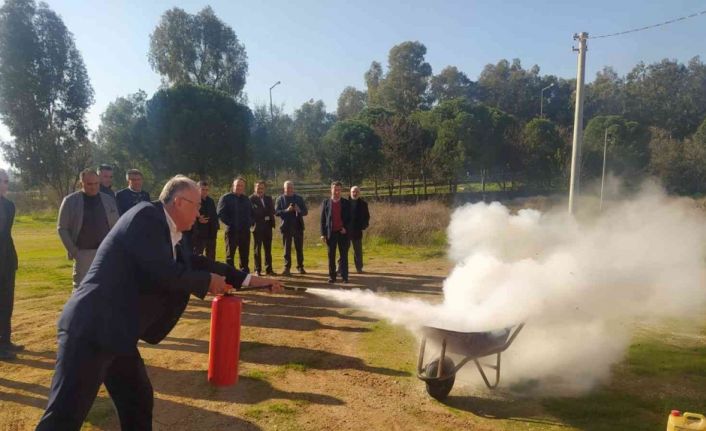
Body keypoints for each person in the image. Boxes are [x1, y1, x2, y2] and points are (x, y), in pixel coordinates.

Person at [36, 175, 283, 430]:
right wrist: (207, 282)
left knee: (137, 401)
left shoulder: (172, 231)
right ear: (179, 202)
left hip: (118, 334)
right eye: (197, 206)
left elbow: (197, 263)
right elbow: (163, 272)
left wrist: (251, 280)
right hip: (91, 329)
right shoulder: (146, 217)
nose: (199, 213)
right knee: (63, 417)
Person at [57, 169, 119, 291]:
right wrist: (73, 250)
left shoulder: (109, 200)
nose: (93, 187)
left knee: (106, 287)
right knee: (82, 289)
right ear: (82, 183)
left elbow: (117, 226)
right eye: (90, 184)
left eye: (96, 183)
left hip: (106, 253)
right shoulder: (70, 201)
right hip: (83, 253)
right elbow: (62, 228)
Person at [0, 169, 21, 360]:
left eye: (6, 181)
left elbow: (6, 235)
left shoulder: (9, 205)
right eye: (2, 181)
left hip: (7, 260)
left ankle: (5, 341)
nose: (5, 184)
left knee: (7, 302)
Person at [217, 177, 253, 273]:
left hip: (245, 231)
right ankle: (230, 275)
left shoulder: (246, 199)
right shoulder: (225, 198)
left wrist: (250, 223)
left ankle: (244, 274)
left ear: (244, 187)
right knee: (230, 255)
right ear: (233, 186)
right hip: (232, 231)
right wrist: (232, 224)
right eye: (237, 185)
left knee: (244, 254)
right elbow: (220, 213)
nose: (239, 187)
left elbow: (252, 213)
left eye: (241, 186)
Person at [275, 180, 308, 276]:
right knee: (287, 249)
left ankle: (300, 266)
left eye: (290, 187)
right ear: (284, 188)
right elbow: (276, 212)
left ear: (293, 188)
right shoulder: (280, 199)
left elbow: (305, 212)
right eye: (287, 188)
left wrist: (299, 210)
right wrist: (287, 210)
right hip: (286, 227)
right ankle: (287, 268)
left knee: (299, 249)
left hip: (298, 227)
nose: (289, 189)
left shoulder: (299, 198)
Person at [320, 181, 351, 284]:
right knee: (331, 256)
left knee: (344, 256)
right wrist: (323, 234)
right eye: (335, 189)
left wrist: (346, 228)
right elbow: (323, 220)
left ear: (341, 190)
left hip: (342, 233)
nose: (336, 192)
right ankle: (332, 277)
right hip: (331, 233)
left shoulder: (346, 203)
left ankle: (345, 277)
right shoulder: (326, 202)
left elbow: (350, 219)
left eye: (338, 190)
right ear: (331, 189)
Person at [249, 180, 276, 276]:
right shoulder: (250, 199)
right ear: (254, 188)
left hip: (268, 226)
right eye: (258, 188)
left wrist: (263, 214)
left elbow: (272, 211)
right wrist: (263, 214)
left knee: (268, 249)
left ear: (265, 189)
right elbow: (253, 213)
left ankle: (269, 269)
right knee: (257, 249)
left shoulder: (268, 198)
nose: (260, 190)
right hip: (257, 227)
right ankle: (257, 269)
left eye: (262, 188)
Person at [191, 180, 219, 260]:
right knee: (197, 256)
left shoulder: (211, 201)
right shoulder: (193, 201)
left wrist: (216, 228)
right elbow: (188, 215)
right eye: (203, 189)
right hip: (198, 235)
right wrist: (198, 219)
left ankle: (211, 268)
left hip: (211, 234)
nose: (205, 192)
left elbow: (214, 216)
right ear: (197, 189)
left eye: (207, 190)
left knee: (211, 257)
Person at [345, 185, 370, 273]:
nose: (355, 193)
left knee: (358, 251)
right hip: (345, 231)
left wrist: (364, 226)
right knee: (343, 250)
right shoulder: (345, 203)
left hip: (357, 230)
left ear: (359, 193)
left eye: (357, 192)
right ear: (350, 192)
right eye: (353, 192)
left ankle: (359, 268)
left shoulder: (363, 204)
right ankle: (340, 268)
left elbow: (367, 217)